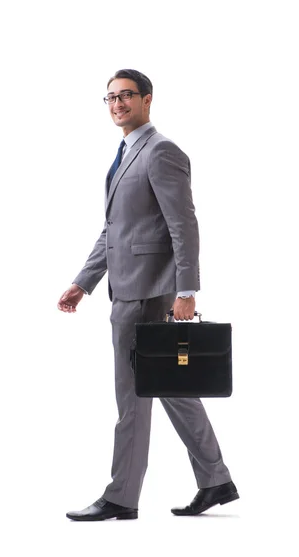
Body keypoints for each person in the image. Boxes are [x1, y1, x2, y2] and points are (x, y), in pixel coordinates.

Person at [57, 69, 238, 521]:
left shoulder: (161, 152)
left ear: (147, 100)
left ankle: (121, 496)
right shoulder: (124, 154)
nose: (117, 103)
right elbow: (115, 231)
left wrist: (187, 290)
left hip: (147, 294)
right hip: (128, 287)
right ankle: (216, 480)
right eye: (110, 97)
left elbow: (183, 225)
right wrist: (84, 282)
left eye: (126, 95)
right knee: (173, 388)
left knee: (132, 398)